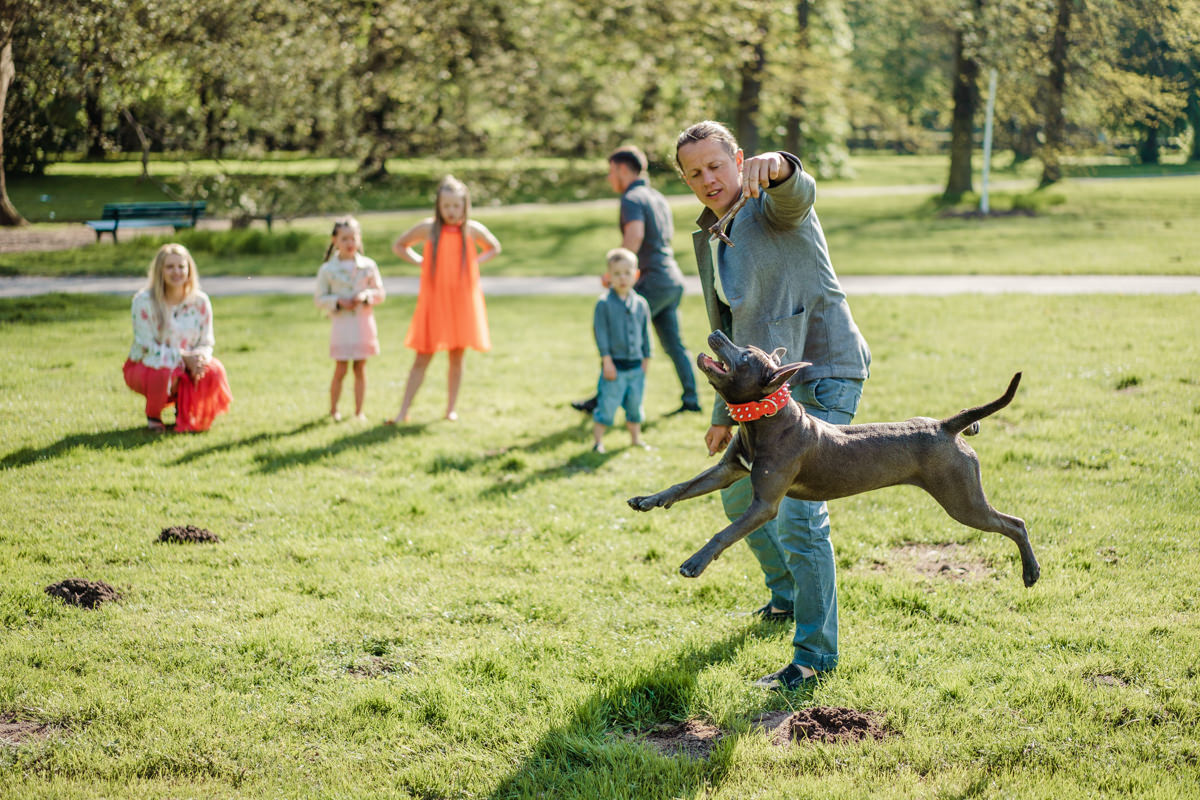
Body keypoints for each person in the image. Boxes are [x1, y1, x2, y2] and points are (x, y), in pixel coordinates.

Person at [674, 120, 871, 690]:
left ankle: (813, 659)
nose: (708, 179)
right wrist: (720, 418)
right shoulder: (711, 234)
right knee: (736, 488)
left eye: (716, 165)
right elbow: (728, 327)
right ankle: (786, 597)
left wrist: (782, 165)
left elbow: (798, 194)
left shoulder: (772, 206)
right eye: (694, 173)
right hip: (761, 395)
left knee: (801, 514)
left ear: (738, 159)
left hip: (823, 373)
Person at [572, 146, 700, 416]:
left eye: (610, 172)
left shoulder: (631, 198)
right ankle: (691, 400)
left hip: (650, 280)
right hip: (671, 278)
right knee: (673, 343)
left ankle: (603, 399)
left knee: (617, 334)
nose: (609, 179)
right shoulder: (656, 196)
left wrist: (617, 272)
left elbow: (635, 235)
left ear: (621, 169)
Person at [386, 176, 501, 423]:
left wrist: (473, 263)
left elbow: (494, 247)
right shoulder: (428, 229)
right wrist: (421, 261)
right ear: (438, 206)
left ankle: (450, 409)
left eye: (456, 206)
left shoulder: (471, 230)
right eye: (446, 206)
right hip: (435, 301)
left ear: (465, 206)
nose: (451, 211)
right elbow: (400, 245)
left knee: (457, 356)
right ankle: (403, 411)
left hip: (461, 301)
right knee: (422, 356)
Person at [123, 243, 233, 432]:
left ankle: (185, 414)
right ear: (160, 271)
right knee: (166, 370)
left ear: (189, 269)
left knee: (214, 369)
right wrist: (183, 358)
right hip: (148, 365)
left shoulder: (200, 301)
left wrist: (199, 360)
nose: (176, 272)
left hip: (188, 364)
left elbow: (206, 341)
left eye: (181, 266)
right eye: (170, 267)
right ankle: (153, 416)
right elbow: (147, 345)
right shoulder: (143, 301)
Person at [314, 217, 386, 422]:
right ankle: (334, 409)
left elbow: (380, 293)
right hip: (342, 326)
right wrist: (338, 302)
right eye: (345, 238)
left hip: (363, 324)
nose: (350, 243)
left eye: (353, 238)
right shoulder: (328, 270)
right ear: (335, 240)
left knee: (360, 368)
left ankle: (358, 411)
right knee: (341, 368)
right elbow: (319, 299)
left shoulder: (369, 266)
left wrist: (365, 297)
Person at [591, 247, 652, 453]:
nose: (622, 278)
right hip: (614, 367)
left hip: (636, 367)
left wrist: (647, 358)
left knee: (635, 405)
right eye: (617, 274)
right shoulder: (604, 304)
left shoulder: (641, 304)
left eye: (627, 273)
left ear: (636, 275)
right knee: (608, 404)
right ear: (608, 277)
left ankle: (635, 439)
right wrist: (606, 360)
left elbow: (646, 333)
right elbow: (601, 334)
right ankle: (598, 442)